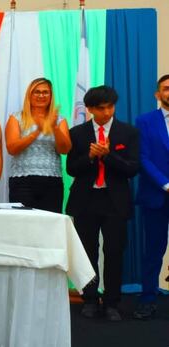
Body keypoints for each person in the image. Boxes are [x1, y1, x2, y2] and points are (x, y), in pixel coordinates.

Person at [66, 86, 139, 321]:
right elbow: (71, 169)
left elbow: (132, 169)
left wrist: (108, 155)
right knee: (87, 252)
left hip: (115, 200)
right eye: (101, 108)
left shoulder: (128, 132)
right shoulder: (77, 133)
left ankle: (112, 302)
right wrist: (89, 157)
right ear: (89, 109)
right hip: (86, 200)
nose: (107, 112)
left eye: (110, 107)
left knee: (114, 251)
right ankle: (89, 298)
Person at [5, 77, 72, 212]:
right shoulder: (16, 118)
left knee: (50, 225)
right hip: (22, 181)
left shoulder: (60, 120)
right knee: (23, 224)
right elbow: (12, 148)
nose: (41, 95)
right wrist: (37, 132)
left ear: (51, 96)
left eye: (45, 92)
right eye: (37, 92)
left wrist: (55, 128)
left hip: (52, 181)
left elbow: (65, 149)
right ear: (29, 95)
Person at [133, 74, 169, 320]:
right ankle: (147, 299)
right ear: (158, 94)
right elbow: (143, 157)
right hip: (156, 195)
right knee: (153, 250)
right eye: (167, 88)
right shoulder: (144, 121)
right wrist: (166, 184)